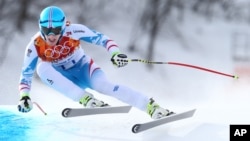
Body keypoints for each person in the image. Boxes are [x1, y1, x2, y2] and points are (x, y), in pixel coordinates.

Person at [17, 6, 173, 119]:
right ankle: (86, 99)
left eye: (56, 30)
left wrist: (115, 53)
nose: (51, 36)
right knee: (42, 68)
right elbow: (26, 74)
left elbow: (103, 39)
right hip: (64, 77)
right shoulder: (35, 45)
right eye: (46, 30)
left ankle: (151, 107)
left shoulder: (73, 31)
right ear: (40, 27)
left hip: (84, 68)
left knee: (103, 86)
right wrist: (24, 96)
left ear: (63, 26)